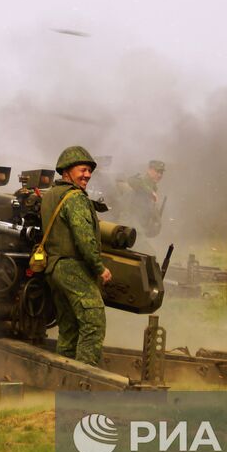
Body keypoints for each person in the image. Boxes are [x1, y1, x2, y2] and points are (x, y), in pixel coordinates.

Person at [41, 145, 112, 367]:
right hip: (73, 268)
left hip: (54, 269)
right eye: (83, 170)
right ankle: (84, 386)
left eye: (90, 171)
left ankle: (64, 380)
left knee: (69, 329)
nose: (87, 175)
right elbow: (84, 238)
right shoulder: (75, 198)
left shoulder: (50, 195)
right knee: (93, 322)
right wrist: (99, 267)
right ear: (66, 171)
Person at [115, 159, 166, 238]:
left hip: (138, 230)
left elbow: (149, 213)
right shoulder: (142, 181)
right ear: (149, 170)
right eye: (157, 171)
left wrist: (156, 224)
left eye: (161, 173)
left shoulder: (153, 187)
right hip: (128, 227)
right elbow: (132, 180)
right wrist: (150, 192)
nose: (159, 175)